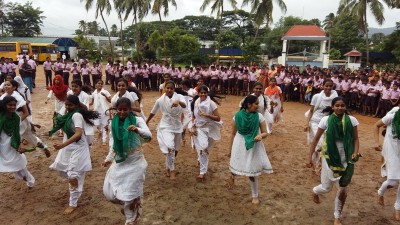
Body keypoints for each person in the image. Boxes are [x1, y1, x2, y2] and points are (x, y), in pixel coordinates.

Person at [307, 97, 360, 225]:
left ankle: (337, 216)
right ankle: (315, 191)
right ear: (332, 107)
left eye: (342, 105)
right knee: (326, 187)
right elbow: (315, 139)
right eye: (337, 105)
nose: (340, 108)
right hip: (329, 158)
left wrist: (355, 152)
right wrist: (309, 158)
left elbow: (356, 139)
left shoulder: (352, 120)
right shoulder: (326, 120)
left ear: (345, 107)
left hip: (346, 158)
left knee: (343, 189)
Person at [102, 97, 151, 225]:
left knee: (130, 194)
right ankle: (129, 207)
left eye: (125, 109)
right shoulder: (113, 123)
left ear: (130, 109)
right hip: (120, 161)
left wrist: (137, 129)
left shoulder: (138, 120)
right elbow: (112, 143)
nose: (122, 112)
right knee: (109, 193)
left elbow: (149, 136)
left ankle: (131, 219)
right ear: (116, 109)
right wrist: (108, 158)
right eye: (120, 109)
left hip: (136, 161)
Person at [49, 95, 99, 215]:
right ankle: (76, 191)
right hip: (69, 149)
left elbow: (78, 134)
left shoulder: (76, 115)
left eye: (70, 105)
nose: (67, 107)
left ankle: (73, 203)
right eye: (66, 104)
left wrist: (62, 145)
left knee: (73, 175)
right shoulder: (68, 115)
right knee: (70, 173)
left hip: (78, 148)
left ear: (76, 105)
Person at [228, 95, 273, 204]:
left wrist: (261, 136)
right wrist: (230, 149)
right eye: (256, 104)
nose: (258, 106)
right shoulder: (237, 116)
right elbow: (233, 133)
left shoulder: (259, 116)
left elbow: (265, 132)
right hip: (239, 143)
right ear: (249, 105)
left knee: (251, 170)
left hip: (254, 144)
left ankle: (255, 196)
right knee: (236, 162)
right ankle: (232, 176)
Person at [146, 81, 186, 180]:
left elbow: (184, 105)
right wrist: (146, 122)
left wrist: (178, 102)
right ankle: (172, 170)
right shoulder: (160, 100)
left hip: (177, 125)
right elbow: (153, 112)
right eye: (167, 88)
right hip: (166, 125)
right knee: (170, 147)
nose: (169, 90)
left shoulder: (179, 96)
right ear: (164, 88)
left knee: (175, 150)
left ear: (174, 89)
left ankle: (168, 165)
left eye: (171, 88)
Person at [1, 79, 50, 157]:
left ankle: (15, 159)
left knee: (15, 139)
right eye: (5, 85)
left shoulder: (18, 97)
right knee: (30, 137)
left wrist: (17, 122)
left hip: (20, 121)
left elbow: (26, 113)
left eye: (8, 85)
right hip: (12, 121)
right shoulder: (4, 96)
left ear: (14, 87)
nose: (6, 86)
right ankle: (44, 147)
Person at [0, 96, 35, 189]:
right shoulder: (0, 116)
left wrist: (19, 144)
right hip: (1, 144)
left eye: (14, 105)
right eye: (9, 105)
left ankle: (29, 179)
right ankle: (23, 176)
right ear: (4, 105)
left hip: (12, 143)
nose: (12, 107)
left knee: (19, 162)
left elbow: (17, 133)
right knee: (11, 163)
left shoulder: (16, 118)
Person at [304, 79, 338, 174]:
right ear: (323, 86)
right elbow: (311, 111)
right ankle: (315, 162)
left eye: (330, 86)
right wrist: (307, 123)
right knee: (320, 143)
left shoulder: (335, 97)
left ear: (332, 87)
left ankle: (319, 165)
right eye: (326, 86)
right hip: (315, 122)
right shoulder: (316, 97)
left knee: (325, 145)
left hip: (328, 122)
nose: (328, 88)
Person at [374, 102, 400, 220]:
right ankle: (380, 192)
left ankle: (397, 209)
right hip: (391, 150)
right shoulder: (392, 116)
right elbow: (376, 125)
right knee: (393, 182)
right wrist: (376, 142)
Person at [190, 86, 222, 182]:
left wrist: (208, 115)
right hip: (200, 128)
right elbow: (193, 116)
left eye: (205, 92)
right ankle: (202, 172)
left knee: (207, 148)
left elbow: (218, 118)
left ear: (207, 93)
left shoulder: (211, 104)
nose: (203, 94)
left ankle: (200, 159)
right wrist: (193, 126)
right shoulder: (196, 102)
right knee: (203, 148)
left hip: (211, 128)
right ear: (198, 93)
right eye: (201, 93)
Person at [90, 79, 111, 146]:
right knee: (97, 124)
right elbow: (92, 102)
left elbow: (110, 100)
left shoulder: (105, 92)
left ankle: (104, 139)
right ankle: (100, 131)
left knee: (105, 124)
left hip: (104, 110)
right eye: (98, 83)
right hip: (97, 111)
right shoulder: (94, 93)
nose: (100, 85)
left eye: (101, 84)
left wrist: (105, 95)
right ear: (96, 84)